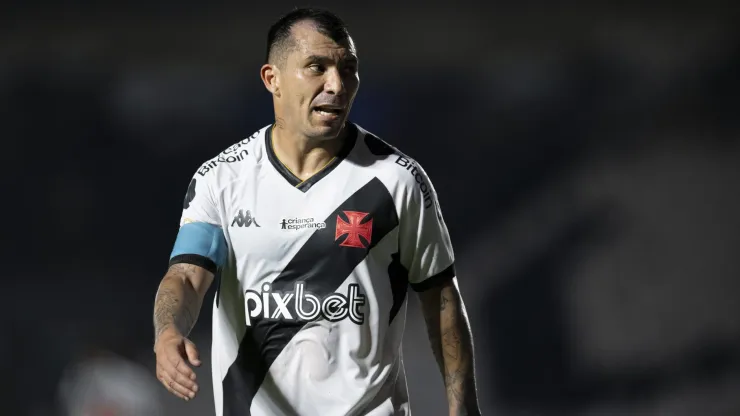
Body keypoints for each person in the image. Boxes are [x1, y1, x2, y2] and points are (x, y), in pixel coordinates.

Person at [152, 8, 481, 416]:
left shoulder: (397, 180)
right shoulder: (221, 179)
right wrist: (168, 330)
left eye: (348, 68)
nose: (337, 84)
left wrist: (463, 408)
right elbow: (185, 274)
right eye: (317, 67)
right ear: (272, 79)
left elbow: (441, 298)